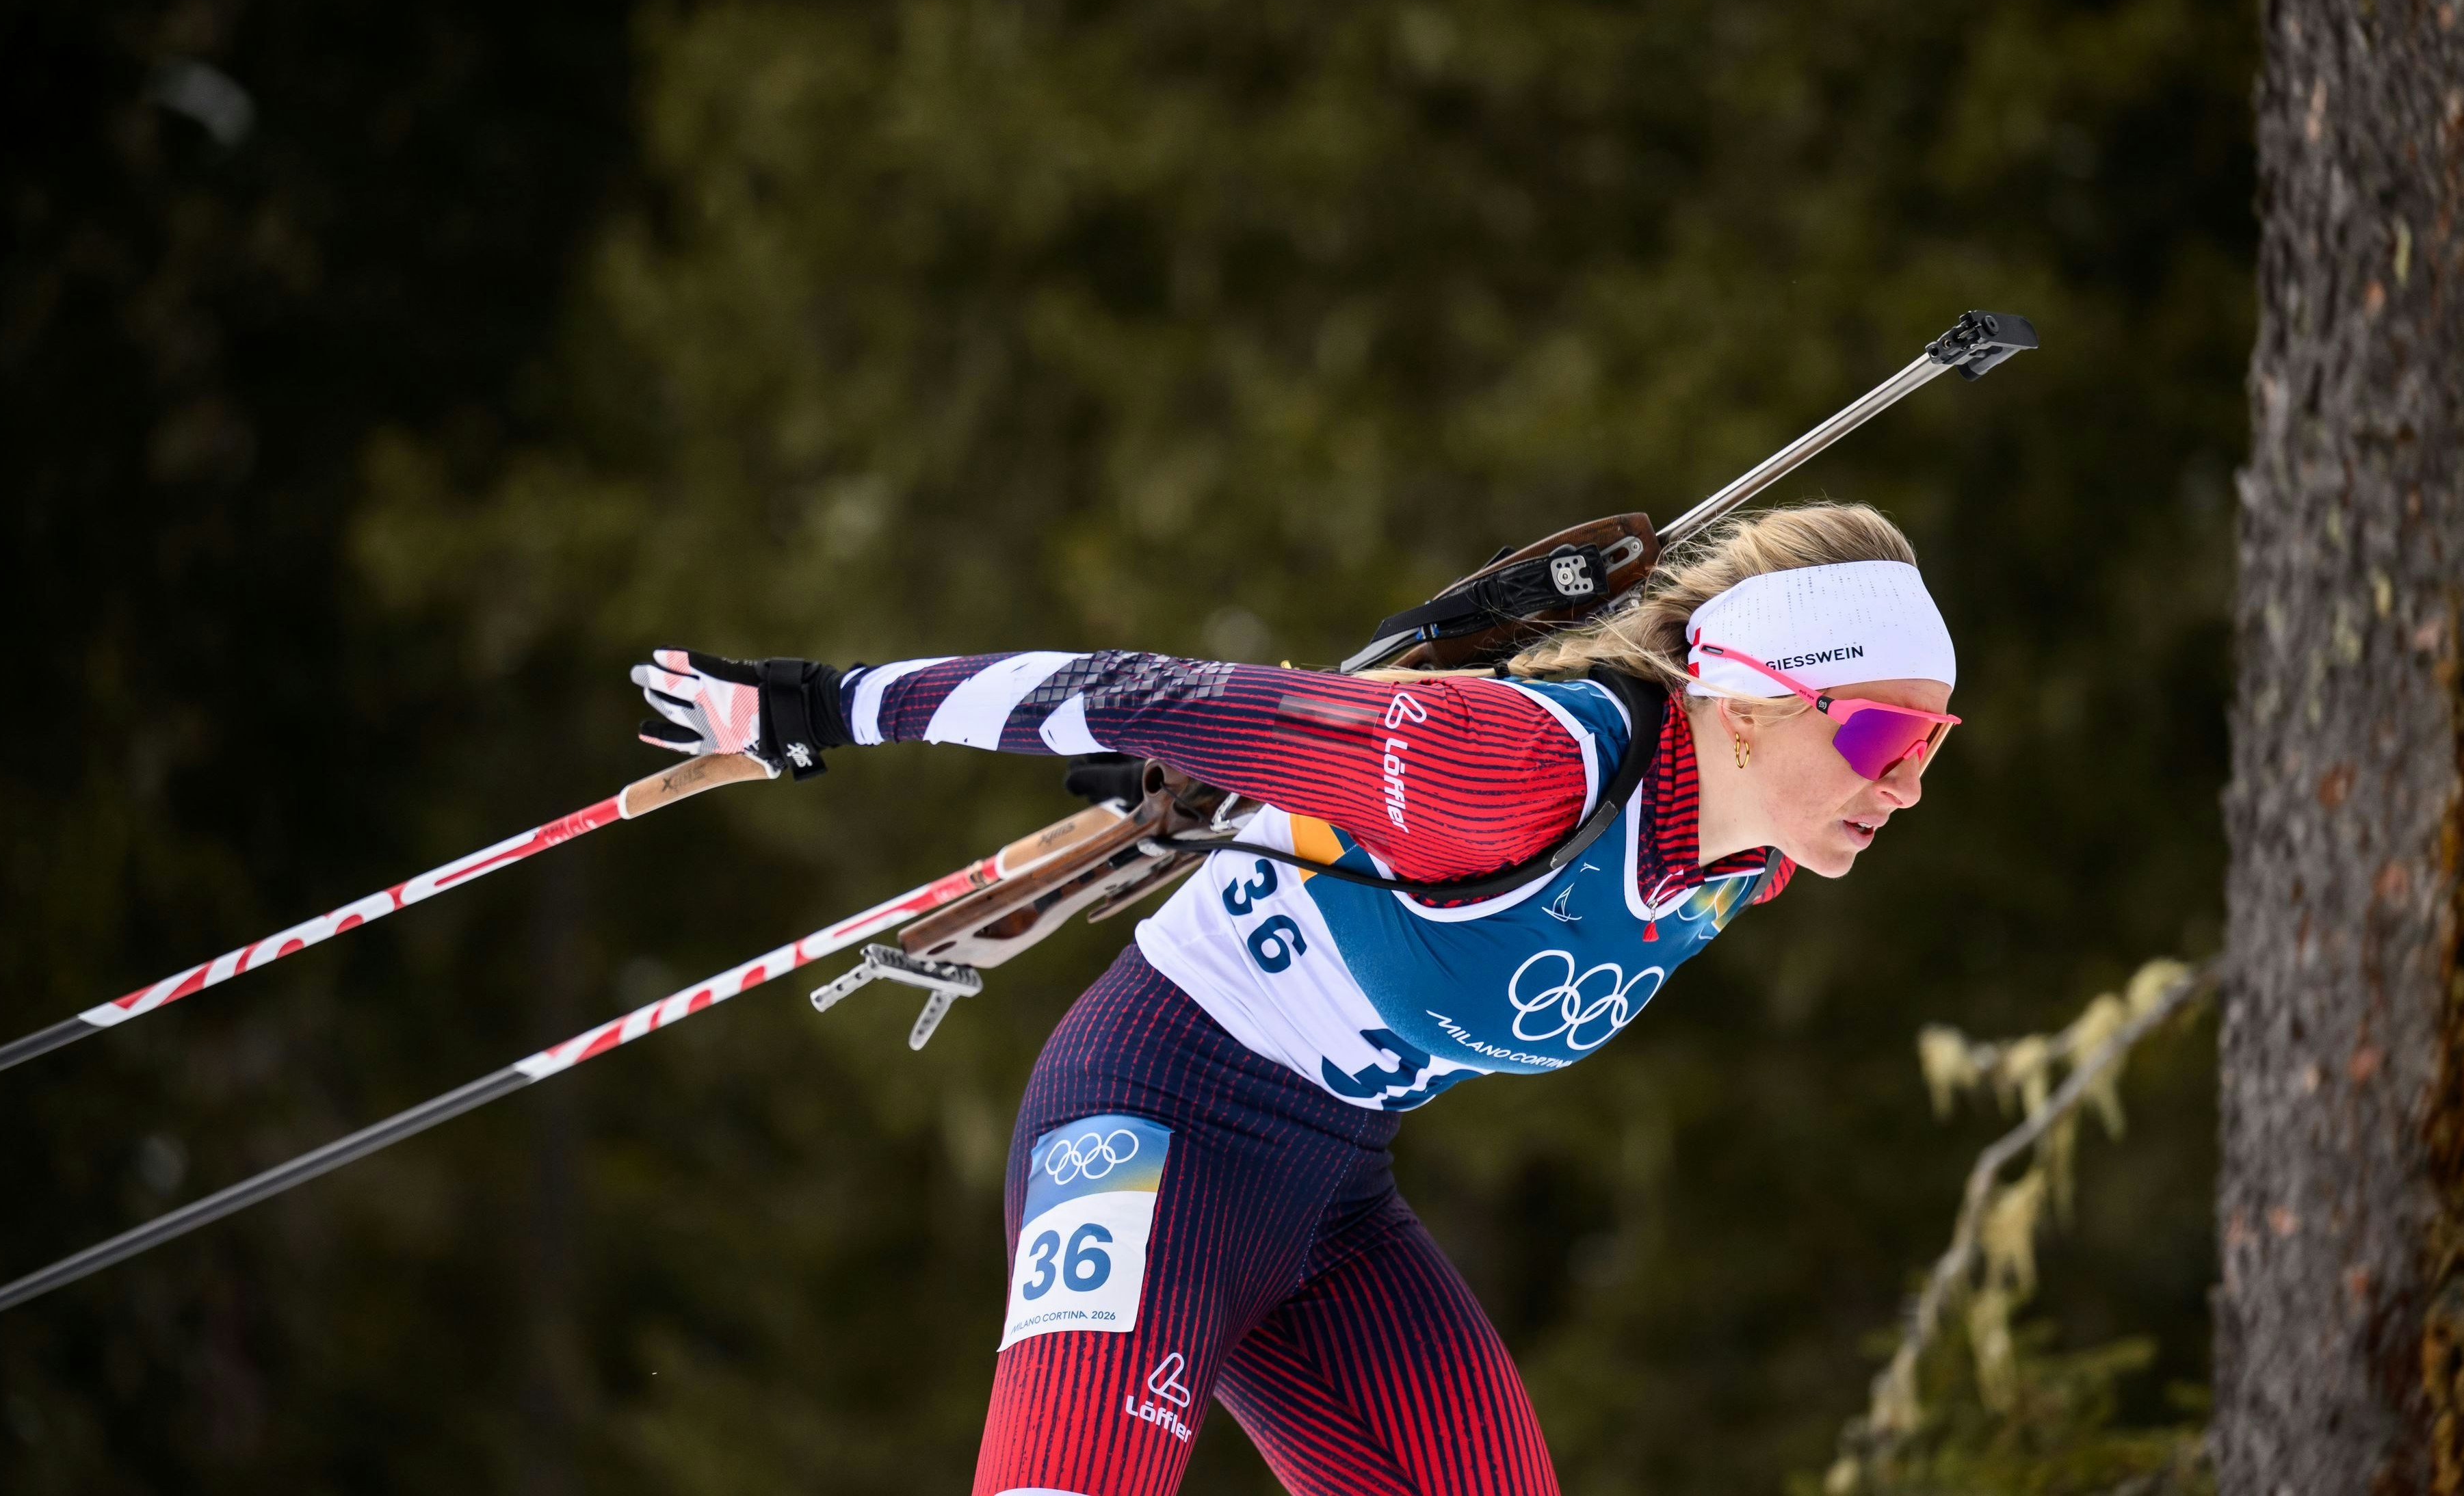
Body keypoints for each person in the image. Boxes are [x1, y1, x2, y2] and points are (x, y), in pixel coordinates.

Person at [629, 503, 1959, 1496]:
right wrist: (824, 706)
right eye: (1876, 739)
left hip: (1328, 1197)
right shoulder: (1512, 774)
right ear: (1741, 707)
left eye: (1929, 746)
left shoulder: (1746, 861)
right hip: (1150, 1121)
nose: (1900, 787)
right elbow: (1147, 696)